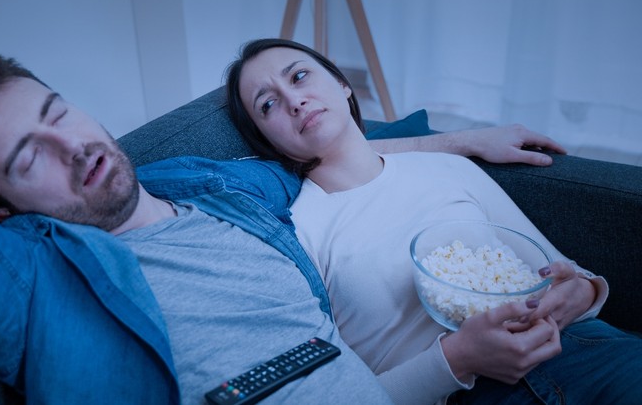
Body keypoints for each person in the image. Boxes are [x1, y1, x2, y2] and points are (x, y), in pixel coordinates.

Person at [0, 55, 584, 403]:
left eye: (57, 111)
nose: (76, 147)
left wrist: (460, 140)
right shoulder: (32, 284)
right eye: (30, 157)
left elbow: (326, 147)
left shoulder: (216, 186)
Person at [224, 37, 642, 405]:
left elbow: (567, 272)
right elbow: (334, 394)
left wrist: (580, 293)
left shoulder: (447, 167)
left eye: (298, 77)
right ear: (267, 141)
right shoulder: (296, 234)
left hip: (591, 344)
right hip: (474, 391)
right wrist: (459, 358)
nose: (294, 100)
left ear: (341, 83)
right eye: (268, 104)